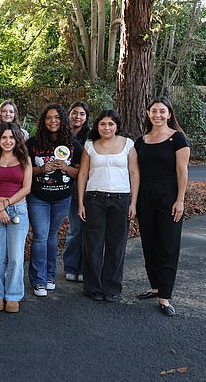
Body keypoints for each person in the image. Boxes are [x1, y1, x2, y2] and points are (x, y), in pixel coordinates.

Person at [135, 98, 190, 317]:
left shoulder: (177, 138)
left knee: (168, 245)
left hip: (169, 197)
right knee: (149, 243)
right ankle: (155, 285)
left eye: (162, 111)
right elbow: (136, 173)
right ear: (148, 114)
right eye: (153, 111)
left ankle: (165, 296)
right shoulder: (141, 141)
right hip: (145, 197)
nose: (157, 114)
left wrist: (180, 200)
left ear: (169, 114)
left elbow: (182, 171)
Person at [77, 110, 139, 302]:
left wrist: (133, 202)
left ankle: (111, 288)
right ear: (97, 126)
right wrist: (80, 203)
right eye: (102, 124)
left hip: (121, 199)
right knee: (93, 245)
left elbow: (134, 173)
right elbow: (83, 175)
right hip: (95, 199)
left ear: (117, 126)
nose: (106, 127)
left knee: (116, 244)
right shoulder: (90, 145)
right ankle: (93, 287)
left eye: (111, 124)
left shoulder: (128, 144)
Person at [26, 104, 82, 297]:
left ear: (63, 120)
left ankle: (50, 276)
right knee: (40, 236)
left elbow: (82, 172)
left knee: (52, 236)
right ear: (43, 121)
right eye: (49, 117)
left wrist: (65, 168)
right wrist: (42, 169)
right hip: (38, 197)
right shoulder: (32, 143)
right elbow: (24, 171)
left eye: (57, 117)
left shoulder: (73, 143)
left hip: (62, 198)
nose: (53, 121)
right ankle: (38, 280)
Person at [0, 122, 32, 313]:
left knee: (16, 257)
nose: (8, 141)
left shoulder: (24, 159)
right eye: (4, 137)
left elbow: (26, 188)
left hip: (18, 209)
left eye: (11, 137)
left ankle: (13, 295)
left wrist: (6, 204)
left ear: (17, 139)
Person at [63, 101, 90, 283]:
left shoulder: (90, 137)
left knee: (89, 230)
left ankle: (84, 268)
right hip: (69, 189)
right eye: (74, 113)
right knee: (75, 229)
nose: (77, 117)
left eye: (81, 114)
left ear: (86, 117)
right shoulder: (61, 134)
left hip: (90, 188)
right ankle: (71, 266)